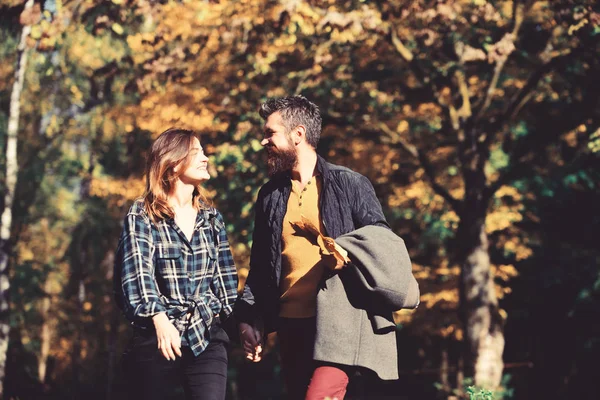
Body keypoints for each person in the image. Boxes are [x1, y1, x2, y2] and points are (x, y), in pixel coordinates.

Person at [235, 96, 419, 400]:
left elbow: (382, 241)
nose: (263, 141)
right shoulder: (269, 195)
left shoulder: (350, 184)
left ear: (298, 134)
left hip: (340, 323)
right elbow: (260, 266)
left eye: (270, 133)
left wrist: (345, 253)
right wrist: (248, 318)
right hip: (291, 324)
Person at [113, 128, 238, 400]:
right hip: (157, 336)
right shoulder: (143, 215)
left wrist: (241, 325)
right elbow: (136, 275)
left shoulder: (212, 218)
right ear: (173, 164)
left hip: (206, 335)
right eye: (197, 152)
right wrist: (159, 319)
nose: (206, 158)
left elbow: (226, 281)